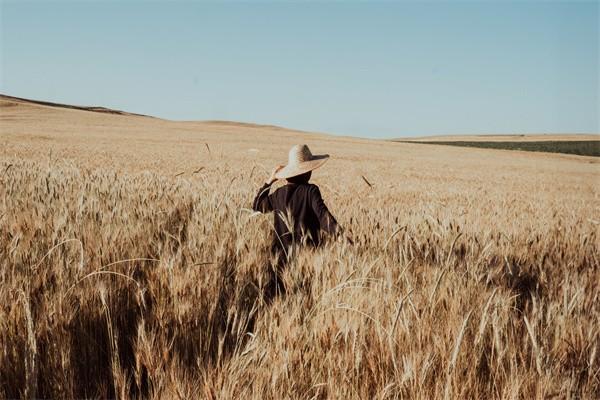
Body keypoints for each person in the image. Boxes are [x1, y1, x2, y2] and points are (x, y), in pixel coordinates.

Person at [252, 144, 339, 298]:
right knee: (303, 300)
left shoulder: (278, 194)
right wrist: (342, 237)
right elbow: (323, 217)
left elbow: (258, 205)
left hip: (279, 260)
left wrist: (270, 180)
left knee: (277, 301)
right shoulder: (311, 191)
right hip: (305, 260)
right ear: (308, 172)